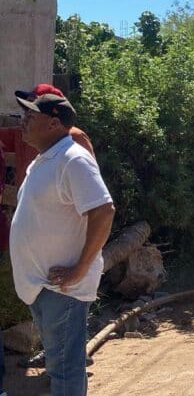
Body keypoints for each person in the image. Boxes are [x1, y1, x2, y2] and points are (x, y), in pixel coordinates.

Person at [10, 93, 115, 396]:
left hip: (63, 289)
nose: (23, 121)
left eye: (31, 116)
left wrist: (79, 270)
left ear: (54, 123)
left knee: (65, 370)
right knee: (60, 367)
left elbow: (103, 210)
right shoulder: (45, 160)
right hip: (44, 286)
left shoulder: (73, 159)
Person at [15, 83, 95, 158]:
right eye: (26, 109)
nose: (24, 119)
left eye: (34, 107)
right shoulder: (27, 134)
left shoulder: (74, 136)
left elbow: (83, 163)